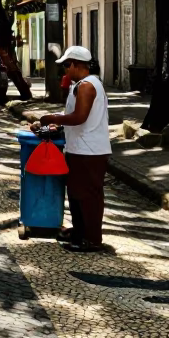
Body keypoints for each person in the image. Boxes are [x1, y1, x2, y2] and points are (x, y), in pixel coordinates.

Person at [39, 45, 111, 252]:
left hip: (90, 151)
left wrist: (52, 118)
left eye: (67, 66)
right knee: (77, 194)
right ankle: (80, 231)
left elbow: (80, 117)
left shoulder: (88, 85)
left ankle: (93, 239)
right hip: (78, 148)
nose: (65, 71)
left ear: (77, 65)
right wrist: (59, 124)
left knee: (89, 196)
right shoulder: (80, 85)